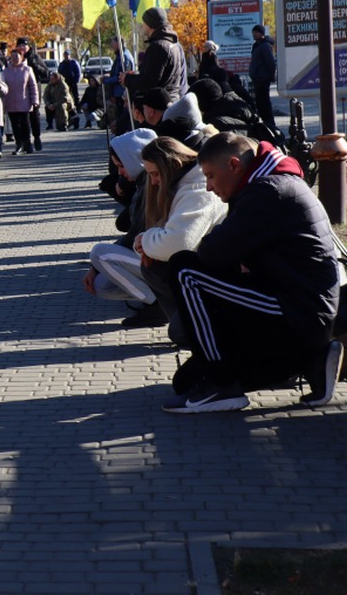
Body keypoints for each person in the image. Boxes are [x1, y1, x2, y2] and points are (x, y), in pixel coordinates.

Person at [165, 133, 343, 413]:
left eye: (211, 176)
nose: (209, 188)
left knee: (184, 271)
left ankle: (222, 387)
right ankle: (312, 360)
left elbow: (211, 254)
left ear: (235, 165)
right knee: (185, 382)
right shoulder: (272, 182)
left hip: (297, 314)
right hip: (298, 310)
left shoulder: (267, 192)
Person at [132, 137, 228, 346]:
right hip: (205, 264)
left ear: (172, 166)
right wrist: (146, 242)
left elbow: (179, 242)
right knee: (151, 263)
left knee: (180, 333)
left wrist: (146, 240)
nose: (154, 181)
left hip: (214, 271)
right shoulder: (182, 184)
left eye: (156, 174)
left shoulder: (196, 189)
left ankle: (197, 325)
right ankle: (189, 323)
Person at [83, 129, 159, 325]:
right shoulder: (143, 183)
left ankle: (157, 305)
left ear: (134, 160)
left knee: (100, 253)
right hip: (151, 255)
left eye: (121, 166)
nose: (120, 173)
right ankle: (154, 298)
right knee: (102, 284)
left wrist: (96, 264)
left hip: (161, 261)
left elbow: (133, 234)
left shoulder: (154, 184)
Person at [122, 7, 186, 104]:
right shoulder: (173, 44)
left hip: (159, 107)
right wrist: (135, 76)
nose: (143, 26)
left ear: (150, 24)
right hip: (172, 102)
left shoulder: (158, 47)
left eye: (144, 23)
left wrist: (127, 79)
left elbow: (149, 82)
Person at [2, 49, 39, 155]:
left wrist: (35, 100)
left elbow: (33, 86)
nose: (15, 58)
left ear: (21, 57)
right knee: (15, 125)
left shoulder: (27, 69)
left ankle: (28, 144)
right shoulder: (6, 71)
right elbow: (2, 85)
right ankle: (19, 144)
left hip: (24, 102)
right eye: (13, 56)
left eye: (17, 56)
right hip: (10, 102)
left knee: (25, 125)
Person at [249, 24, 277, 129]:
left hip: (262, 79)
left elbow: (270, 62)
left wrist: (270, 76)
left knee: (264, 103)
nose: (254, 34)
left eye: (256, 32)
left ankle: (270, 124)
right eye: (253, 32)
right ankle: (266, 124)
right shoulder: (257, 45)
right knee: (260, 103)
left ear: (262, 33)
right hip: (257, 78)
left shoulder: (265, 46)